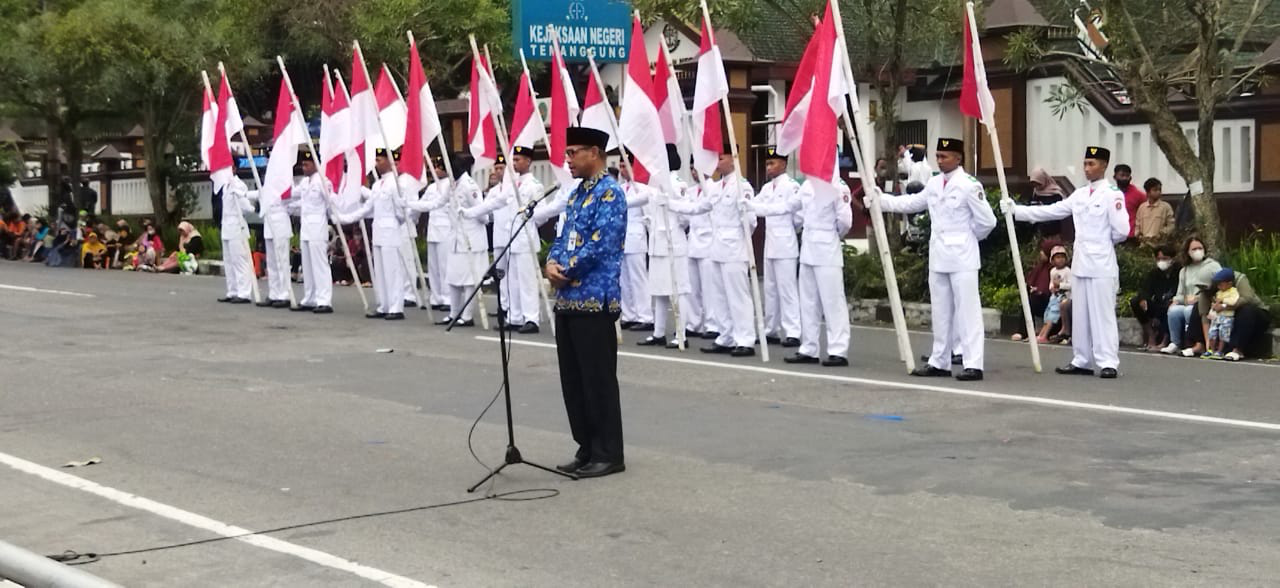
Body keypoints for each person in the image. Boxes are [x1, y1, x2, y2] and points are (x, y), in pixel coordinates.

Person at [544, 127, 628, 479]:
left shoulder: (610, 194)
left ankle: (609, 452)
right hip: (567, 299)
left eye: (573, 152)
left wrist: (567, 268)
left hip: (594, 298)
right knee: (573, 380)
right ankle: (587, 446)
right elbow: (564, 236)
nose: (568, 159)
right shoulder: (577, 195)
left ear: (594, 152)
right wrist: (551, 261)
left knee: (597, 379)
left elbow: (601, 243)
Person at [1005, 146, 1128, 378]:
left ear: (1104, 166)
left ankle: (1108, 361)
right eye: (1085, 164)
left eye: (1092, 164)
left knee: (1103, 315)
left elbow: (1122, 231)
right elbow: (1053, 211)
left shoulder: (1113, 194)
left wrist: (1099, 244)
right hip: (1081, 264)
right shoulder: (1080, 194)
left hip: (1102, 264)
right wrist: (1017, 211)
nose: (1087, 168)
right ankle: (1081, 359)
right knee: (1080, 314)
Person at [880, 138, 997, 381]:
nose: (940, 160)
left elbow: (988, 221)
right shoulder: (934, 183)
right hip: (939, 256)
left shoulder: (968, 185)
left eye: (945, 156)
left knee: (968, 312)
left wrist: (967, 237)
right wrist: (881, 200)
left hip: (963, 257)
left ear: (959, 158)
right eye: (938, 155)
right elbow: (912, 203)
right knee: (941, 312)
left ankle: (973, 363)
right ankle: (939, 361)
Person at [760, 162, 854, 367]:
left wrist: (830, 236)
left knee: (832, 302)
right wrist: (755, 208)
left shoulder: (837, 185)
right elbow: (788, 207)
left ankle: (838, 350)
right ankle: (809, 347)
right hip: (808, 250)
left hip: (827, 250)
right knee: (808, 302)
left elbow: (845, 222)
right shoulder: (807, 186)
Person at [463, 147, 546, 333]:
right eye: (513, 159)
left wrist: (528, 225)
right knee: (512, 281)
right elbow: (495, 203)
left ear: (528, 161)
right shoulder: (513, 185)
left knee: (527, 282)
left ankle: (531, 318)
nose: (514, 163)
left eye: (518, 159)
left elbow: (542, 215)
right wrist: (469, 213)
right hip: (512, 240)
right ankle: (515, 317)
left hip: (525, 241)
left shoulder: (534, 185)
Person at [693, 149, 760, 358]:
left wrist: (740, 241)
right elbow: (699, 208)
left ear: (733, 159)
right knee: (719, 296)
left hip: (734, 248)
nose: (717, 162)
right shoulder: (716, 187)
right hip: (716, 247)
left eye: (721, 158)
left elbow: (751, 221)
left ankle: (745, 339)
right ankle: (726, 336)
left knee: (738, 296)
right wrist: (671, 205)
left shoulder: (742, 185)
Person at [338, 148, 414, 321]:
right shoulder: (377, 185)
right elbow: (367, 208)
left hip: (390, 230)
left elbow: (403, 213)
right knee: (379, 271)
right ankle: (384, 305)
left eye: (380, 160)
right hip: (378, 231)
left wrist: (394, 224)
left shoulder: (397, 184)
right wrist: (345, 218)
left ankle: (396, 307)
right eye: (377, 160)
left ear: (389, 161)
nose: (377, 164)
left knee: (392, 271)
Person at [419, 153, 485, 327]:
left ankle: (468, 316)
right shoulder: (452, 185)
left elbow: (482, 213)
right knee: (453, 278)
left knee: (470, 280)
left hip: (471, 239)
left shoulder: (470, 186)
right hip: (455, 238)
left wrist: (468, 217)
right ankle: (454, 313)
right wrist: (411, 204)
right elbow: (436, 203)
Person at [748, 146, 802, 348]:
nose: (769, 167)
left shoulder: (791, 186)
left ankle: (793, 331)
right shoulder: (766, 188)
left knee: (787, 289)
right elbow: (753, 206)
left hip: (786, 244)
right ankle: (771, 329)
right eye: (767, 164)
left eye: (772, 163)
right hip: (770, 245)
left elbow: (799, 217)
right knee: (770, 289)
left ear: (784, 164)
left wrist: (788, 230)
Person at [641, 144, 694, 347]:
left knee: (679, 291)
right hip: (656, 245)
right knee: (659, 290)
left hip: (674, 244)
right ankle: (658, 332)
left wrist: (673, 227)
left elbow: (685, 215)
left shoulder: (677, 183)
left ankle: (681, 334)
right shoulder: (655, 185)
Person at [247, 145, 297, 309]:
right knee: (272, 262)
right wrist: (242, 193)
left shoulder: (284, 179)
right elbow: (260, 194)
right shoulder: (268, 180)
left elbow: (291, 197)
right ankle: (274, 292)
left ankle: (284, 294)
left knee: (282, 260)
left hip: (280, 223)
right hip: (269, 224)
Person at [288, 150, 336, 313]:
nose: (304, 167)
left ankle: (324, 300)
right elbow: (293, 196)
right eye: (303, 164)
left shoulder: (323, 182)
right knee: (307, 265)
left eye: (307, 164)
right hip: (306, 228)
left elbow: (330, 203)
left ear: (316, 164)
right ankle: (310, 298)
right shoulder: (304, 183)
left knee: (320, 265)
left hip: (318, 228)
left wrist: (335, 219)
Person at [1161, 236, 1222, 356]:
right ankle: (1175, 343)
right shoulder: (1184, 270)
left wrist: (1199, 298)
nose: (1197, 251)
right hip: (1187, 301)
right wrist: (1176, 301)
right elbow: (1180, 293)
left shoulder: (1213, 266)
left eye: (1200, 248)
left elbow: (1220, 286)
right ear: (1188, 252)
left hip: (1205, 302)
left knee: (1190, 311)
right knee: (1174, 311)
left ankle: (1194, 343)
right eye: (1194, 249)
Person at [616, 154, 653, 332]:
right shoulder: (621, 188)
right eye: (621, 166)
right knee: (624, 279)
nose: (623, 170)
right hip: (621, 237)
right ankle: (629, 314)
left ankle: (645, 316)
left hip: (636, 237)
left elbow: (643, 199)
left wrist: (619, 202)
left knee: (638, 279)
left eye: (626, 166)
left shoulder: (642, 188)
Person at [1210, 268, 1272, 362]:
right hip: (1228, 315)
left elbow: (1247, 298)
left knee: (1246, 310)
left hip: (1256, 314)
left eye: (1221, 284)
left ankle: (1237, 350)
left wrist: (1226, 306)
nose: (1219, 286)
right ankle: (1203, 346)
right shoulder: (1215, 286)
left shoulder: (1240, 279)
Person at [1130, 245, 1180, 351]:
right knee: (1135, 302)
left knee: (1171, 308)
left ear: (1172, 258)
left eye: (1165, 259)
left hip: (1172, 303)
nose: (1161, 261)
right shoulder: (1154, 273)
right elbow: (1145, 289)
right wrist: (1144, 299)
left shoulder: (1179, 271)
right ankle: (1151, 335)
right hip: (1158, 304)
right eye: (1159, 259)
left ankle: (1164, 342)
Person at [1011, 239, 1060, 342]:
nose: (1041, 253)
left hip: (1053, 303)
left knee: (1035, 301)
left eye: (1043, 251)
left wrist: (1041, 291)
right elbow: (1031, 282)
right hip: (1041, 301)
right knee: (1028, 300)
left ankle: (1043, 333)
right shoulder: (1040, 267)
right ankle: (1024, 331)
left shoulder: (1056, 269)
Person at [216, 173, 255, 304]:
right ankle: (232, 291)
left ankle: (244, 293)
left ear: (233, 168)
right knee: (229, 261)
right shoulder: (225, 185)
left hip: (237, 227)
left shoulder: (239, 185)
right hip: (226, 226)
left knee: (240, 260)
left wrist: (251, 206)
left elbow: (246, 207)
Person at [422, 155, 453, 312]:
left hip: (446, 230)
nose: (436, 170)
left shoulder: (451, 185)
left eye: (439, 167)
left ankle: (448, 298)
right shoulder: (431, 187)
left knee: (444, 266)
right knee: (433, 266)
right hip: (433, 230)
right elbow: (424, 205)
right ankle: (436, 296)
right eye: (435, 167)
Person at [1036, 245, 1072, 344]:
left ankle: (1045, 335)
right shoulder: (1053, 271)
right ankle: (1041, 335)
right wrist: (1052, 287)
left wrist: (1060, 285)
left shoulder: (1068, 271)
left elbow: (1071, 285)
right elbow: (1051, 283)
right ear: (1053, 260)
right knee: (1047, 314)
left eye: (1062, 257)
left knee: (1053, 315)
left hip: (1063, 297)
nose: (1060, 260)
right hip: (1054, 297)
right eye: (1057, 257)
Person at [1204, 267, 1239, 359]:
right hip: (1217, 316)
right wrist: (1214, 306)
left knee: (1223, 334)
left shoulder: (1233, 291)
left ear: (1229, 283)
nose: (1219, 286)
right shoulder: (1219, 292)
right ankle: (1211, 350)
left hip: (1227, 317)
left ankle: (1220, 351)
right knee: (1212, 332)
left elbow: (1233, 301)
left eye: (1221, 284)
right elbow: (1216, 302)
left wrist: (1223, 302)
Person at [1026, 167, 1067, 237]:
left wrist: (1043, 206)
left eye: (1038, 184)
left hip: (1052, 230)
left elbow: (1057, 210)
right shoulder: (1036, 192)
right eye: (1034, 184)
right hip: (1038, 229)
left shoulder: (1055, 193)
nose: (1037, 187)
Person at [1134, 178, 1174, 245]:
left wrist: (1161, 234)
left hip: (1160, 246)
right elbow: (1137, 225)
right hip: (1144, 246)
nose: (1158, 192)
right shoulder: (1142, 207)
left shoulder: (1166, 207)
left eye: (1159, 190)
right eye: (1155, 190)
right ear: (1148, 192)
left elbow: (1171, 225)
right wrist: (1139, 235)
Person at [1113, 164, 1145, 239]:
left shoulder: (1138, 195)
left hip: (1131, 237)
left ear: (1130, 178)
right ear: (1115, 177)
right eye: (1122, 175)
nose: (1124, 178)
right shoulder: (1110, 194)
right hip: (1114, 236)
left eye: (1127, 176)